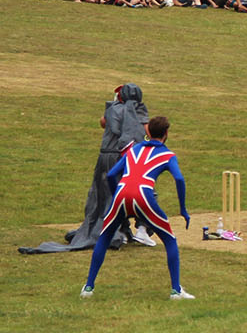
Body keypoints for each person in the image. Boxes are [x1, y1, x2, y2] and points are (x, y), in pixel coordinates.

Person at [20, 84, 154, 255]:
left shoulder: (113, 110)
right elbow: (147, 134)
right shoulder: (138, 112)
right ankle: (136, 230)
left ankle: (119, 230)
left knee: (105, 195)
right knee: (136, 192)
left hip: (105, 157)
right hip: (123, 157)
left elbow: (103, 122)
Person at [80, 116, 193, 299]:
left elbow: (112, 174)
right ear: (166, 133)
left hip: (122, 192)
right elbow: (179, 179)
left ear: (148, 132)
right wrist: (183, 209)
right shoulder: (168, 155)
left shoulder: (134, 149)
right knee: (170, 240)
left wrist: (116, 196)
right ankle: (176, 290)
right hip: (144, 194)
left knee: (105, 237)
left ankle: (88, 288)